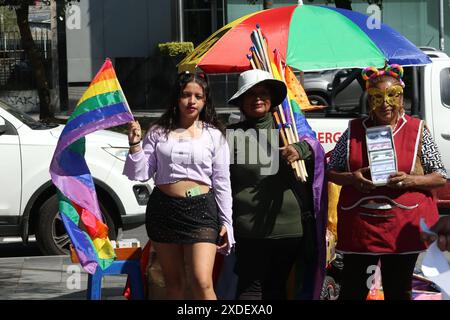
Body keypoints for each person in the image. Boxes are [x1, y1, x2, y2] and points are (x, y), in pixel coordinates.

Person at [327, 64, 447, 300]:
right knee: (352, 289)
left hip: (402, 225)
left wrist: (410, 180)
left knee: (398, 290)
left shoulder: (417, 130)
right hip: (361, 227)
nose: (385, 103)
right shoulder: (353, 130)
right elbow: (331, 171)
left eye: (393, 96)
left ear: (401, 98)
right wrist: (353, 178)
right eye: (377, 97)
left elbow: (440, 176)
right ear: (369, 99)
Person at [123, 72, 234, 300]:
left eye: (198, 96)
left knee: (202, 281)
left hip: (202, 211)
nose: (191, 101)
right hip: (164, 210)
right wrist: (135, 144)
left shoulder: (214, 135)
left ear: (205, 101)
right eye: (186, 95)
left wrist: (227, 222)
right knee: (173, 285)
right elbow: (141, 173)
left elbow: (222, 182)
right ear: (177, 98)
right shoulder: (157, 132)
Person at [226, 69, 327, 300]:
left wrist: (301, 149)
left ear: (272, 99)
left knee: (277, 289)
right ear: (241, 102)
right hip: (249, 230)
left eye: (263, 93)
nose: (257, 99)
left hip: (289, 231)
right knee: (250, 290)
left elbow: (316, 151)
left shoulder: (290, 131)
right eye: (250, 94)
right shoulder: (230, 135)